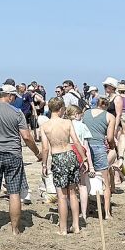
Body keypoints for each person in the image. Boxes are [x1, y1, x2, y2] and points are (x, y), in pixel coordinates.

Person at [0, 85, 42, 236]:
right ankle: (15, 230)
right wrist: (37, 153)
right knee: (14, 193)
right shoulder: (17, 113)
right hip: (13, 154)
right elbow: (26, 137)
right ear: (10, 96)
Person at [39, 98, 89, 235]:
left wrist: (44, 164)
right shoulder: (67, 122)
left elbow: (45, 148)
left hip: (58, 157)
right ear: (61, 109)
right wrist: (84, 159)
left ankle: (62, 228)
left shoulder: (45, 126)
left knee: (62, 195)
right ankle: (76, 226)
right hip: (70, 154)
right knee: (73, 193)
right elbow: (77, 142)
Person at [82, 97, 118, 217]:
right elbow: (110, 138)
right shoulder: (109, 116)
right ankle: (107, 213)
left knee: (84, 180)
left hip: (84, 146)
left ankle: (85, 211)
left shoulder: (85, 113)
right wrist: (113, 147)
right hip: (98, 146)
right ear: (107, 106)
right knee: (105, 181)